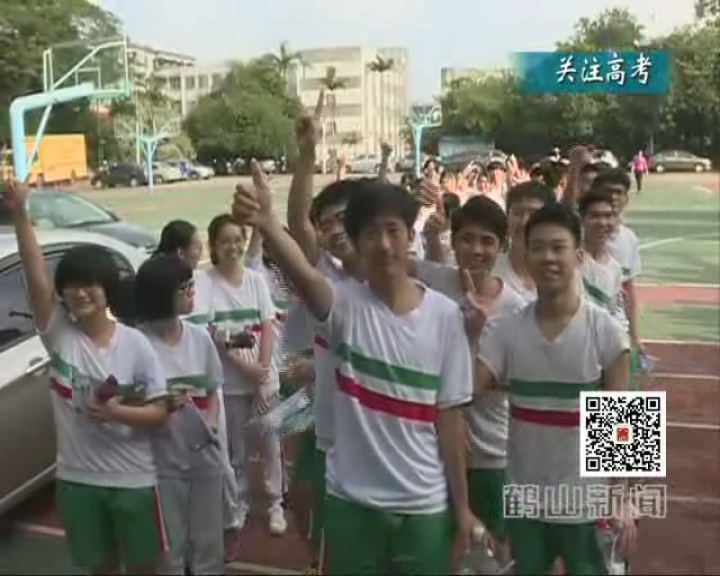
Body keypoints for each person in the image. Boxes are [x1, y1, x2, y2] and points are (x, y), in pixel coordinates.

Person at [232, 163, 481, 574]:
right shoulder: (346, 304)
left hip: (511, 470)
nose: (383, 244)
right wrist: (268, 223)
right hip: (357, 499)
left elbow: (456, 412)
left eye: (393, 231)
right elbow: (303, 270)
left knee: (563, 557)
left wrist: (611, 485)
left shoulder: (594, 326)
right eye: (371, 234)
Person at [3, 180, 169, 575]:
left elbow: (160, 412)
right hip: (78, 483)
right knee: (100, 569)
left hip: (133, 481)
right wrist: (20, 213)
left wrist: (117, 413)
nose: (79, 293)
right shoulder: (59, 335)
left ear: (106, 290)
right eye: (71, 286)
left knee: (145, 568)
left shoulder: (136, 346)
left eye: (88, 285)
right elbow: (35, 273)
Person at [473, 203, 637, 575]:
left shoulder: (607, 331)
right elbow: (466, 392)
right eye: (538, 247)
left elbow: (624, 420)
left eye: (558, 247)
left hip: (585, 498)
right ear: (525, 255)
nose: (547, 257)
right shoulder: (505, 329)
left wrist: (622, 497)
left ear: (578, 257)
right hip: (525, 496)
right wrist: (469, 329)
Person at [414, 195, 525, 559]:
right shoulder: (431, 282)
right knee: (442, 551)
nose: (476, 250)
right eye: (467, 239)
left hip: (492, 451)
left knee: (497, 552)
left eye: (487, 241)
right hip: (433, 449)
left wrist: (623, 496)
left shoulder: (521, 309)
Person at [285, 93, 366, 573]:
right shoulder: (330, 279)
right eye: (327, 222)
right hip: (333, 426)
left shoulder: (599, 322)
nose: (334, 229)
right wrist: (308, 153)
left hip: (502, 452)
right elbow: (296, 222)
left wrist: (617, 485)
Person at [132, 254, 225, 575]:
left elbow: (212, 389)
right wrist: (159, 405)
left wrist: (210, 424)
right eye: (183, 288)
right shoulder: (136, 344)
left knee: (208, 544)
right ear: (160, 295)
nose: (191, 293)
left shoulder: (199, 338)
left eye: (191, 285)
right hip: (160, 463)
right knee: (169, 546)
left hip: (204, 457)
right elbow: (123, 402)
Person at [195, 214, 286, 535]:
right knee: (237, 446)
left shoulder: (255, 280)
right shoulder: (205, 282)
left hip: (263, 374)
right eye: (225, 241)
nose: (233, 247)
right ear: (213, 246)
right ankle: (241, 501)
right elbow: (210, 331)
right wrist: (244, 365)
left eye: (238, 240)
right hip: (230, 378)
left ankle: (275, 503)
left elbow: (267, 326)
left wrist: (261, 371)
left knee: (271, 441)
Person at [592, 168, 645, 387]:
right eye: (608, 191)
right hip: (586, 333)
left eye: (619, 192)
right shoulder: (577, 234)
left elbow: (629, 288)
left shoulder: (629, 238)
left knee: (627, 405)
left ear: (626, 199)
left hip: (617, 333)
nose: (614, 197)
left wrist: (635, 336)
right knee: (582, 401)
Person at [492, 181, 556, 303]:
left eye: (533, 214)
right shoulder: (490, 269)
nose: (524, 222)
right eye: (517, 213)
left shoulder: (560, 275)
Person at [577, 188, 624, 319]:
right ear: (582, 219)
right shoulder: (570, 259)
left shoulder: (615, 269)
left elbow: (613, 313)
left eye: (607, 216)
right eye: (595, 216)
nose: (602, 222)